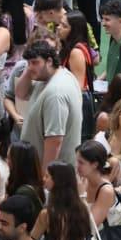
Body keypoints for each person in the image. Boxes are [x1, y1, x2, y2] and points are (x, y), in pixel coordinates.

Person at [14, 38, 83, 173]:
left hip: (55, 175)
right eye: (28, 63)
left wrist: (45, 175)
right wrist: (32, 68)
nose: (31, 67)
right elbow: (20, 93)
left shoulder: (55, 93)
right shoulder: (50, 76)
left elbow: (55, 140)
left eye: (35, 62)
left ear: (50, 61)